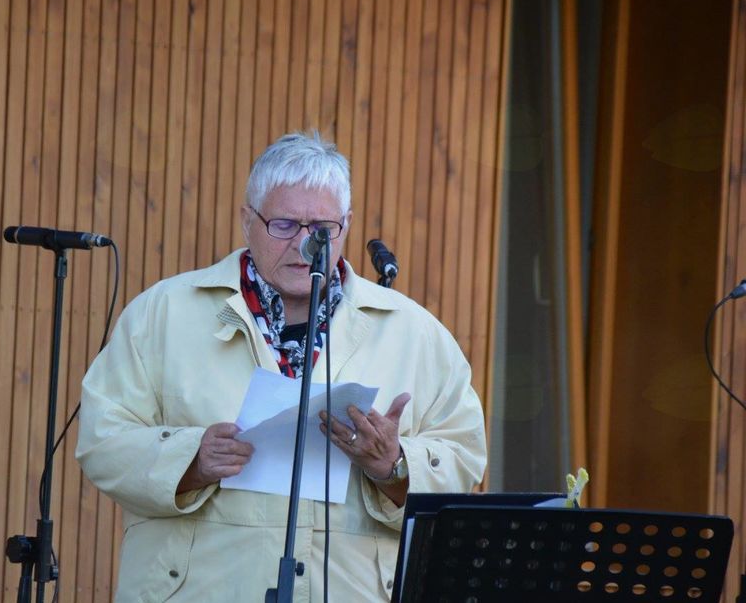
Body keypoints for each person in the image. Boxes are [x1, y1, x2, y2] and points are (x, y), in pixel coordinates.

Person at [76, 131, 487, 602]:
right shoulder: (162, 313)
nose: (305, 245)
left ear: (347, 225)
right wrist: (191, 458)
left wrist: (395, 466)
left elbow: (464, 456)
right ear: (247, 221)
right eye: (285, 225)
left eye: (322, 230)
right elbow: (103, 439)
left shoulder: (415, 332)